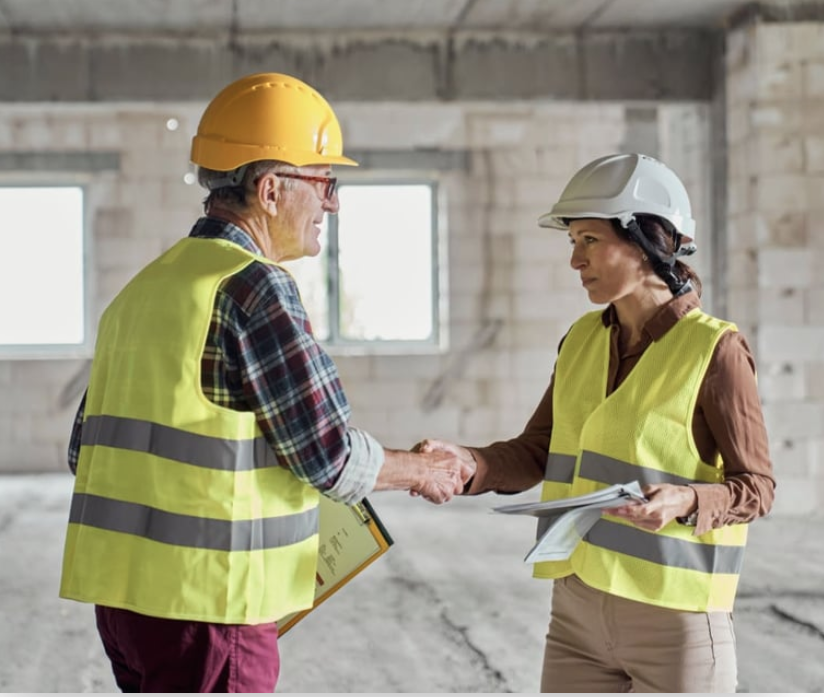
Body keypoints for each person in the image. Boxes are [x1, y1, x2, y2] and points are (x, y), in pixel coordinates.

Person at [59, 72, 471, 693]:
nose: (332, 202)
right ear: (272, 189)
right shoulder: (254, 287)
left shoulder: (143, 290)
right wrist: (421, 470)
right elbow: (326, 455)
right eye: (324, 182)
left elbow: (82, 452)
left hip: (126, 608)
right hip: (211, 610)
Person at [417, 153, 775, 693]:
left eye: (589, 241)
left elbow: (757, 488)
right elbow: (537, 451)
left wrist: (686, 501)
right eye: (572, 243)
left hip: (673, 623)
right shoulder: (582, 338)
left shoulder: (715, 350)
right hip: (577, 611)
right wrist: (471, 463)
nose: (575, 261)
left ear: (647, 240)